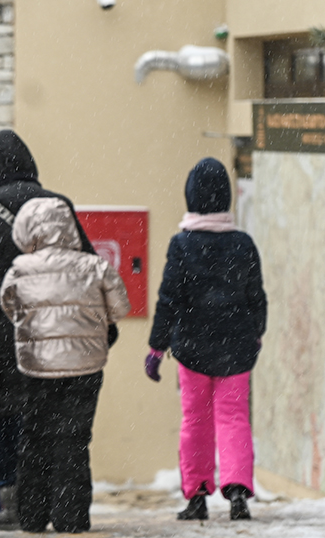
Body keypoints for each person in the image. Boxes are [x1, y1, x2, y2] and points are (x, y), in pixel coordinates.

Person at [0, 129, 117, 531]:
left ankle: (11, 503)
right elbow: (89, 270)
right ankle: (66, 508)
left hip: (2, 342)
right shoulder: (58, 206)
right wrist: (102, 333)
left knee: (10, 425)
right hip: (65, 343)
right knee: (64, 432)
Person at [145, 157, 267, 522]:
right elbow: (256, 297)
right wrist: (255, 335)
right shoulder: (243, 243)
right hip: (237, 350)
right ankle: (238, 495)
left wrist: (156, 346)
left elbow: (169, 299)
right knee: (234, 418)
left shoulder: (181, 244)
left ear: (191, 197)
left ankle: (197, 495)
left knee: (195, 420)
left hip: (192, 349)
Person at [0, 196, 131, 533]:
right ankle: (71, 518)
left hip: (36, 368)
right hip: (85, 367)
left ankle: (32, 514)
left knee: (35, 436)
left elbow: (9, 308)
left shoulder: (20, 269)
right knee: (73, 439)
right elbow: (120, 309)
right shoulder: (94, 266)